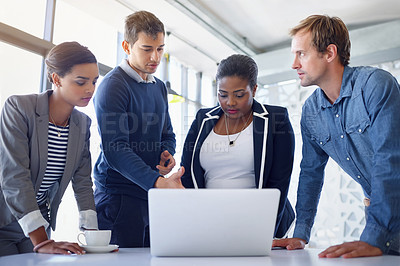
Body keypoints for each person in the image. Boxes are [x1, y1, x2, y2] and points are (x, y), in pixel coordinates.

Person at [273, 15, 400, 258]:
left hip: (383, 216)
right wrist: (300, 233)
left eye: (301, 54)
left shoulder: (375, 86)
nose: (294, 64)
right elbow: (311, 172)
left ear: (329, 53)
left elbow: (390, 158)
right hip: (379, 214)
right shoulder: (311, 112)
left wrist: (373, 236)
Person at [93, 10, 184, 248]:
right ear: (127, 46)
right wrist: (158, 181)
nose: (155, 57)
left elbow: (168, 134)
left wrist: (166, 152)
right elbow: (115, 150)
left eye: (161, 48)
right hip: (118, 198)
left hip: (150, 193)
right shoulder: (113, 86)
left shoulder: (159, 87)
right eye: (147, 49)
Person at [0, 41, 99, 256]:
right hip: (4, 222)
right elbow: (15, 177)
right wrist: (42, 241)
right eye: (81, 82)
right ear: (56, 78)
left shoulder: (82, 124)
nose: (90, 89)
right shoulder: (18, 108)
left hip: (39, 224)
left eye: (94, 81)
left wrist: (95, 238)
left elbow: (83, 182)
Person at [180, 54, 295, 238]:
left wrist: (266, 232)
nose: (230, 102)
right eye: (222, 94)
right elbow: (187, 173)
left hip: (257, 221)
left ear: (254, 89)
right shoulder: (203, 119)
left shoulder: (276, 119)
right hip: (209, 220)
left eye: (239, 95)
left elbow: (279, 182)